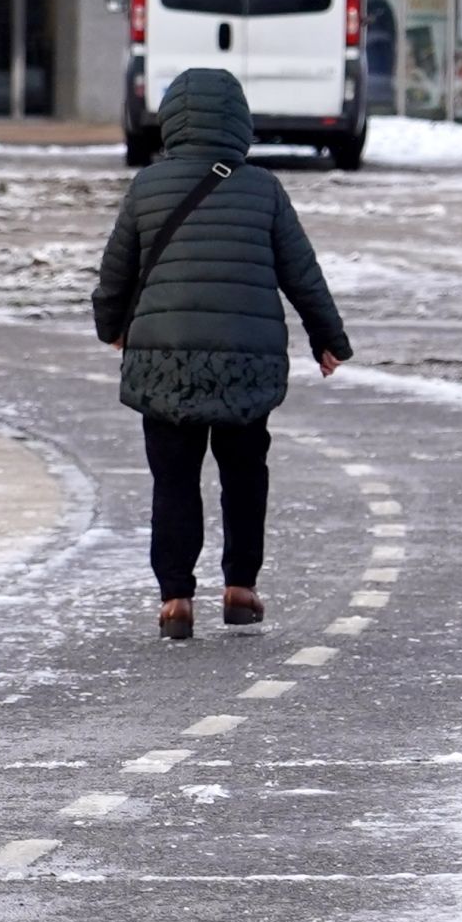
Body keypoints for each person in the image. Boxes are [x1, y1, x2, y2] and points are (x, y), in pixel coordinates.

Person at [92, 68, 353, 640]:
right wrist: (327, 338)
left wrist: (111, 327)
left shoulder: (149, 186)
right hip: (246, 359)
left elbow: (117, 273)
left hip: (164, 360)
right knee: (244, 471)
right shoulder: (263, 189)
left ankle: (175, 599)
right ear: (239, 121)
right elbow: (302, 274)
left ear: (172, 121)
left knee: (174, 479)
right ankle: (240, 588)